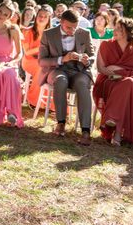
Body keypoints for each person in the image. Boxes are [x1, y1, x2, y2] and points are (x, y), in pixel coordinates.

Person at [38, 9, 94, 145]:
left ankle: (86, 131)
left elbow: (92, 55)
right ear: (61, 22)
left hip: (78, 71)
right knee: (61, 80)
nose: (72, 31)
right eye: (69, 27)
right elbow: (42, 61)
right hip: (56, 70)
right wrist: (62, 59)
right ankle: (61, 123)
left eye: (75, 27)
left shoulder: (84, 33)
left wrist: (87, 59)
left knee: (82, 84)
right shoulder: (48, 34)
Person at [94, 18, 133, 146]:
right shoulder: (106, 44)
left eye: (119, 29)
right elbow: (101, 69)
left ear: (128, 32)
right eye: (115, 27)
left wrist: (119, 70)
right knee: (129, 85)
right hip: (109, 81)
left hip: (131, 83)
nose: (114, 30)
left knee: (129, 83)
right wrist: (114, 73)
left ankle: (113, 122)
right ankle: (116, 133)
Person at [21, 4, 52, 107]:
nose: (42, 18)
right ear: (36, 17)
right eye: (40, 16)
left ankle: (50, 104)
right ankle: (33, 101)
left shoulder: (51, 33)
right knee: (41, 67)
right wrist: (42, 47)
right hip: (29, 60)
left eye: (45, 17)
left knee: (56, 68)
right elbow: (27, 52)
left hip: (45, 60)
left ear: (49, 19)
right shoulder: (27, 31)